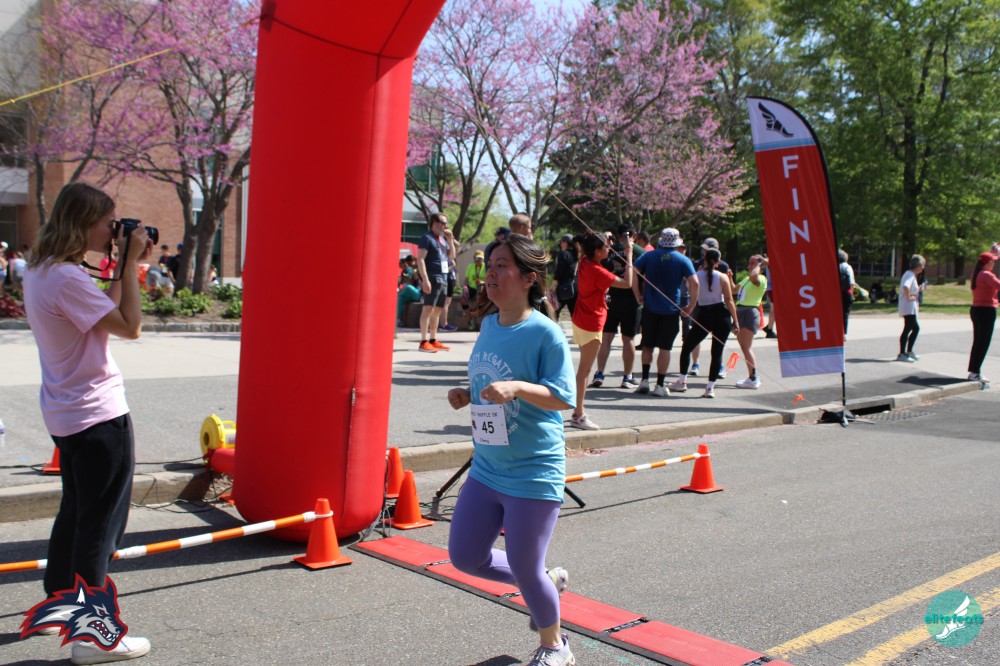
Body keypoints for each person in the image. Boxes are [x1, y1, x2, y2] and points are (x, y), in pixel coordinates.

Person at [23, 182, 152, 663]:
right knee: (98, 527)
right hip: (97, 415)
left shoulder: (43, 270)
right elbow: (130, 326)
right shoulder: (67, 279)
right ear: (83, 224)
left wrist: (119, 266)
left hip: (66, 412)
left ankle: (60, 604)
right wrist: (132, 266)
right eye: (107, 223)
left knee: (76, 513)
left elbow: (103, 315)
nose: (112, 231)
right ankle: (93, 638)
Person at [445, 234, 576, 666]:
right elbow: (492, 381)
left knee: (525, 568)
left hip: (533, 471)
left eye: (502, 266)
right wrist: (469, 393)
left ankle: (556, 646)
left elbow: (564, 397)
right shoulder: (488, 325)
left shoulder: (545, 333)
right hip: (487, 467)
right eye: (490, 266)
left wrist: (518, 387)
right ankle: (544, 582)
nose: (491, 274)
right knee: (465, 557)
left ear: (528, 278)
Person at [569, 233, 632, 429]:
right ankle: (578, 414)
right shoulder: (597, 271)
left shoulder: (585, 261)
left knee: (584, 370)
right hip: (591, 323)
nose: (609, 248)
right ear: (596, 251)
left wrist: (604, 237)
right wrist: (629, 256)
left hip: (581, 319)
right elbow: (627, 283)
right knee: (584, 370)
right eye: (606, 246)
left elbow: (590, 241)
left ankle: (579, 410)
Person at [632, 228, 698, 397]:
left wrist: (637, 293)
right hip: (671, 309)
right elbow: (695, 282)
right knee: (665, 348)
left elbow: (633, 270)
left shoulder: (649, 256)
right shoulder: (682, 259)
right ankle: (660, 384)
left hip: (650, 307)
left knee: (647, 345)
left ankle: (644, 380)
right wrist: (691, 306)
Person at [669, 249, 739, 398]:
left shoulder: (696, 276)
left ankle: (682, 381)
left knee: (687, 347)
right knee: (717, 352)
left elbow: (690, 290)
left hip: (704, 315)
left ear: (704, 261)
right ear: (718, 262)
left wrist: (690, 308)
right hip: (722, 315)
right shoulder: (723, 277)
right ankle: (710, 388)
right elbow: (729, 300)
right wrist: (736, 320)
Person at [590, 224, 643, 389]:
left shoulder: (608, 250)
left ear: (617, 235)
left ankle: (600, 372)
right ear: (634, 235)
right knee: (629, 339)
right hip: (632, 301)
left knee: (606, 338)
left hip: (610, 299)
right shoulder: (640, 252)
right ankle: (627, 376)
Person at [688, 238, 734, 378]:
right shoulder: (697, 264)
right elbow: (691, 285)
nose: (704, 251)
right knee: (695, 337)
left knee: (717, 340)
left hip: (717, 305)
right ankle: (695, 363)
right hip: (700, 305)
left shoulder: (723, 266)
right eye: (703, 249)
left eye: (706, 249)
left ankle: (718, 365)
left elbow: (728, 292)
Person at [416, 212, 456, 352]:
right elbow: (420, 259)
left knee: (438, 310)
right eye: (442, 223)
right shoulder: (426, 238)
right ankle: (423, 341)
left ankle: (433, 339)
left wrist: (450, 239)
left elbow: (452, 257)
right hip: (432, 277)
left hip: (443, 277)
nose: (445, 226)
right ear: (434, 224)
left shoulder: (443, 239)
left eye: (445, 223)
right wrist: (425, 279)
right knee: (428, 308)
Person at [734, 255, 768, 389]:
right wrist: (728, 277)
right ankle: (751, 377)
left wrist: (760, 265)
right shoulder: (748, 279)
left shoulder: (761, 278)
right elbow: (734, 289)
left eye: (753, 263)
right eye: (749, 263)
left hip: (749, 312)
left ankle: (754, 378)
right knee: (743, 346)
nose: (749, 266)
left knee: (746, 347)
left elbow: (754, 277)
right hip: (740, 311)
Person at [967, 246, 1000, 382]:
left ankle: (973, 371)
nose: (994, 264)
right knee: (983, 343)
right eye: (992, 262)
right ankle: (975, 372)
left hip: (977, 309)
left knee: (978, 342)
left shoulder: (978, 273)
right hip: (986, 311)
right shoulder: (986, 275)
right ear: (987, 264)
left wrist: (995, 253)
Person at [897, 254, 926, 362]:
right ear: (918, 266)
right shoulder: (909, 275)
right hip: (908, 307)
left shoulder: (910, 275)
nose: (923, 268)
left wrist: (918, 289)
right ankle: (902, 353)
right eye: (922, 265)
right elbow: (906, 286)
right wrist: (909, 297)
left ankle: (909, 351)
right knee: (908, 329)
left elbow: (909, 288)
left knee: (915, 328)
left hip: (910, 307)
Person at [549, 235, 578, 320]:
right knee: (575, 315)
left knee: (553, 312)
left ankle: (552, 328)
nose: (561, 244)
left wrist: (554, 282)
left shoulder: (563, 254)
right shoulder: (576, 255)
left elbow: (560, 270)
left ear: (566, 243)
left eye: (562, 242)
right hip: (574, 288)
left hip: (563, 288)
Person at [463, 250, 487, 330]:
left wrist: (482, 282)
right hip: (472, 287)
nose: (479, 260)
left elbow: (488, 279)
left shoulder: (486, 267)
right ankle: (469, 315)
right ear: (474, 258)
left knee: (479, 298)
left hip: (483, 288)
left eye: (480, 258)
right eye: (477, 258)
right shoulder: (470, 266)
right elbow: (466, 279)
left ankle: (476, 319)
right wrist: (465, 287)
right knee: (464, 295)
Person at [838, 249, 860, 334]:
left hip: (836, 293)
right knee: (845, 313)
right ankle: (843, 332)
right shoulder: (847, 267)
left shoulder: (835, 266)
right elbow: (851, 283)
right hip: (846, 293)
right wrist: (852, 294)